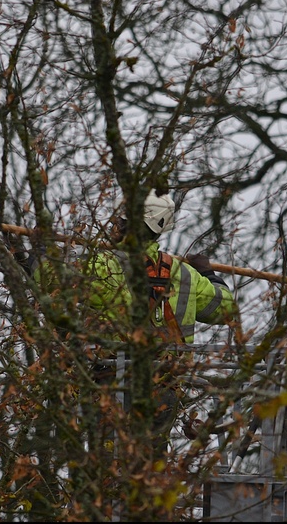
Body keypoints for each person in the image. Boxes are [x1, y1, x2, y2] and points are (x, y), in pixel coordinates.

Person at [84, 189, 239, 457]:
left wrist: (31, 254)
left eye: (119, 220)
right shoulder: (184, 274)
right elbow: (225, 308)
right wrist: (209, 274)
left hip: (113, 384)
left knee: (106, 468)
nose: (113, 225)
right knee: (150, 466)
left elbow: (51, 280)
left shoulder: (102, 265)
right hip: (164, 387)